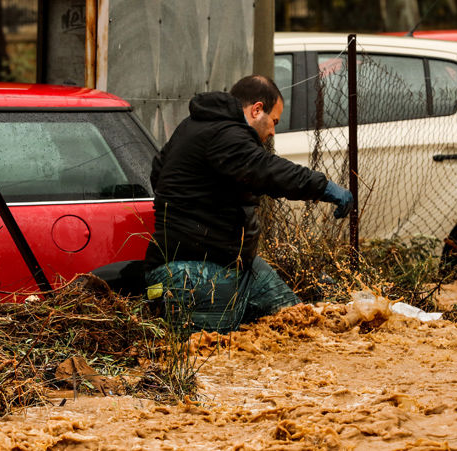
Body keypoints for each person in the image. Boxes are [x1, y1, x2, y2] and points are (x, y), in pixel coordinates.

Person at [144, 74, 353, 334]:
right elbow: (267, 170)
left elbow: (158, 173)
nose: (273, 131)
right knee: (211, 357)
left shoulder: (195, 128)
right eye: (274, 121)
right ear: (257, 110)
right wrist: (324, 187)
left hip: (237, 263)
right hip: (190, 270)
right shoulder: (224, 134)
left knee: (300, 328)